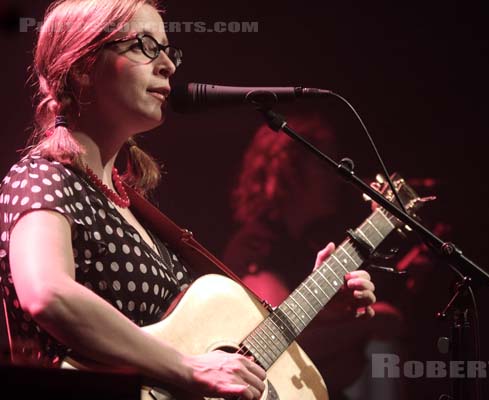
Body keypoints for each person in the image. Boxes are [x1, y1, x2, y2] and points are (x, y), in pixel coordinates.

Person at [0, 1, 377, 399]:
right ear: (81, 67)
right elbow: (49, 294)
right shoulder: (42, 177)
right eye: (145, 46)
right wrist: (186, 368)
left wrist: (318, 312)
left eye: (168, 50)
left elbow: (213, 353)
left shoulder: (131, 208)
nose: (168, 65)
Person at [223, 115, 406, 399]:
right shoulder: (259, 245)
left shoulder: (306, 243)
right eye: (324, 165)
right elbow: (273, 344)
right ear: (289, 171)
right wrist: (368, 324)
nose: (335, 177)